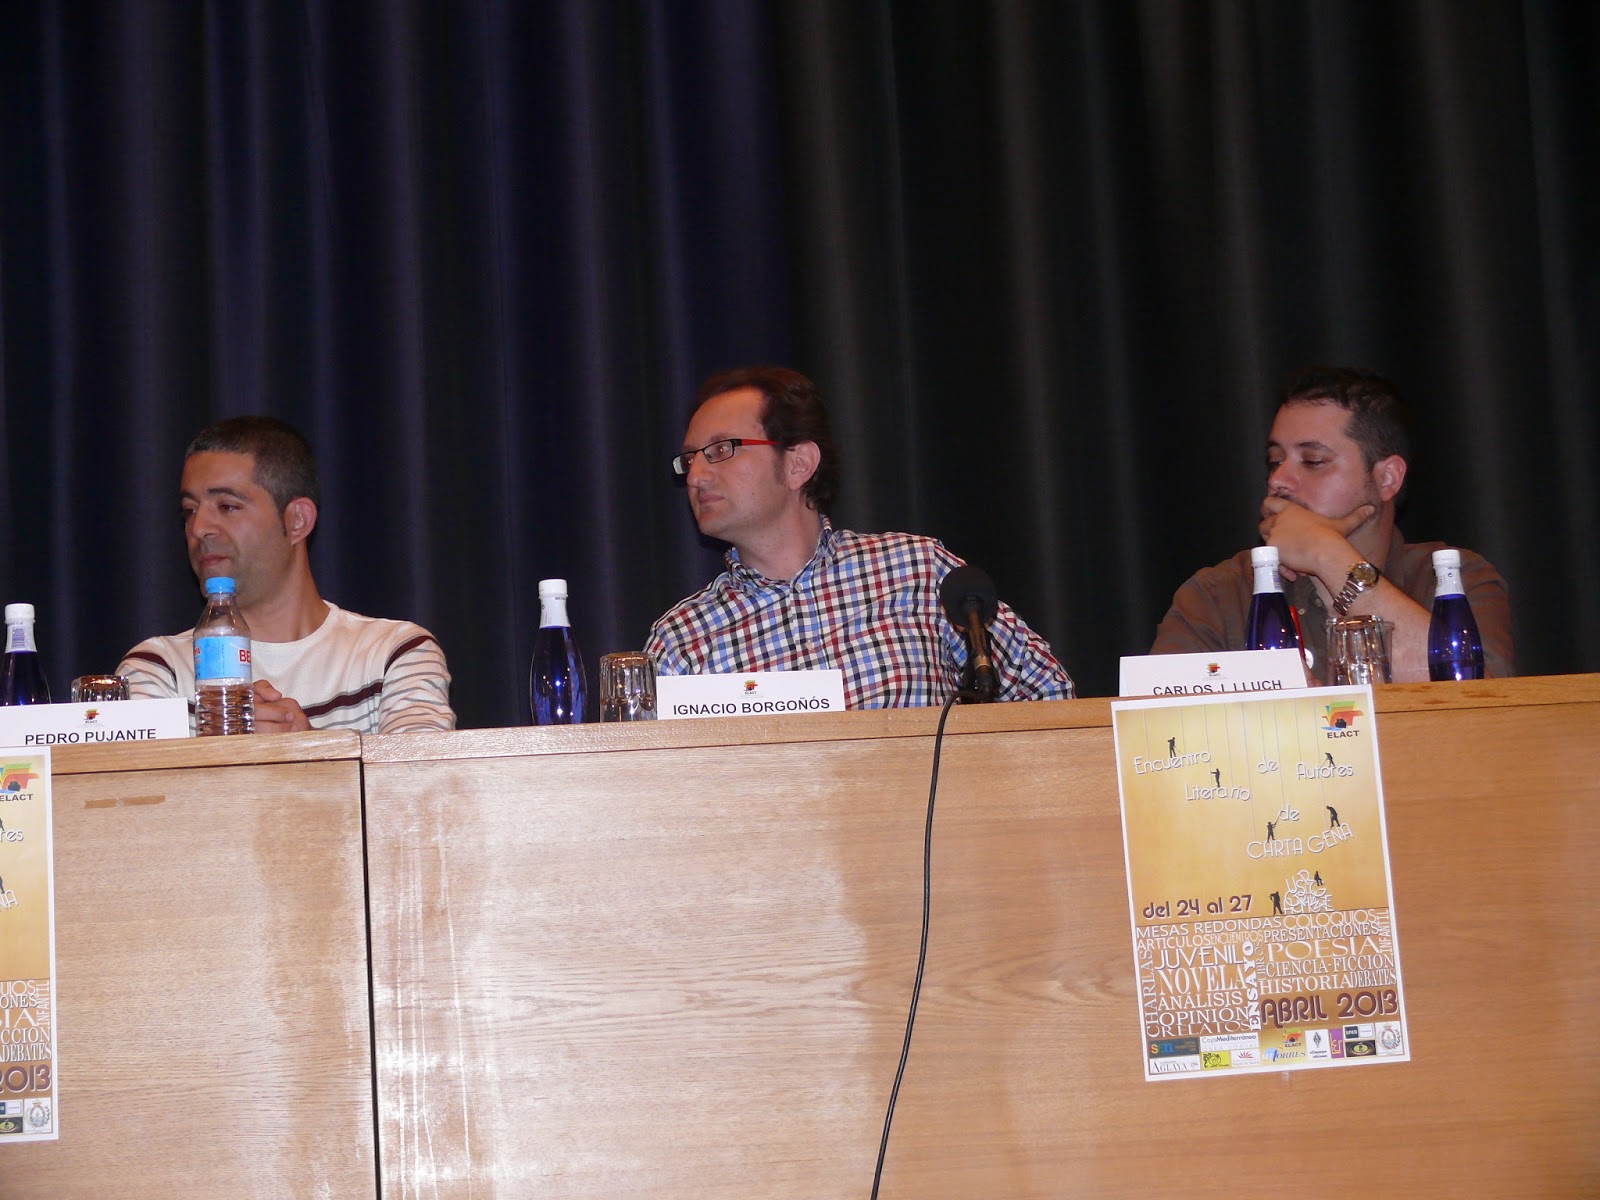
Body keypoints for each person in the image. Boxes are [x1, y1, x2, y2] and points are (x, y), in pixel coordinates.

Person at [646, 367, 1073, 707]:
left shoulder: (917, 572)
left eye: (721, 450)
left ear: (798, 464)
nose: (696, 476)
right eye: (689, 460)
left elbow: (1049, 695)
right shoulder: (682, 641)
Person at [1150, 367, 1513, 683]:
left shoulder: (1451, 579)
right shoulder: (1218, 596)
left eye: (1313, 461)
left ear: (1387, 478)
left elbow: (1485, 709)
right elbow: (1156, 731)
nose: (1278, 480)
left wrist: (1328, 556)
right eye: (1275, 461)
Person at [117, 416, 455, 733]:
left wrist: (307, 753)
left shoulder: (393, 654)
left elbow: (422, 776)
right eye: (190, 511)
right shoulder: (158, 669)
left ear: (297, 521)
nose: (198, 528)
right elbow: (137, 779)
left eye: (227, 506)